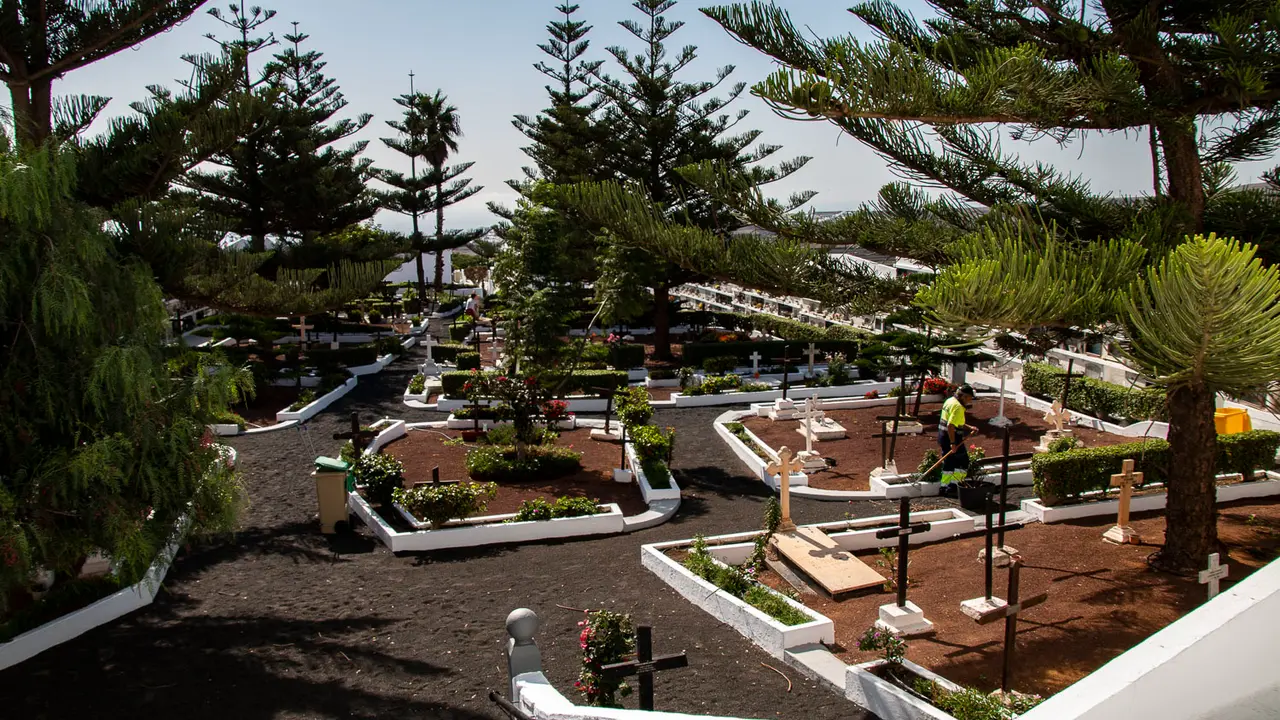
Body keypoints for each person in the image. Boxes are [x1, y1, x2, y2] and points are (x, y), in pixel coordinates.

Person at [938, 384, 979, 498]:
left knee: (950, 462)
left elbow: (955, 421)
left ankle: (944, 487)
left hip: (943, 436)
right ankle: (954, 486)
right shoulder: (958, 407)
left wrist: (969, 427)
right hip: (952, 438)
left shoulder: (950, 401)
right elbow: (951, 425)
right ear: (963, 396)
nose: (970, 400)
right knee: (962, 462)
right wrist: (953, 443)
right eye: (969, 398)